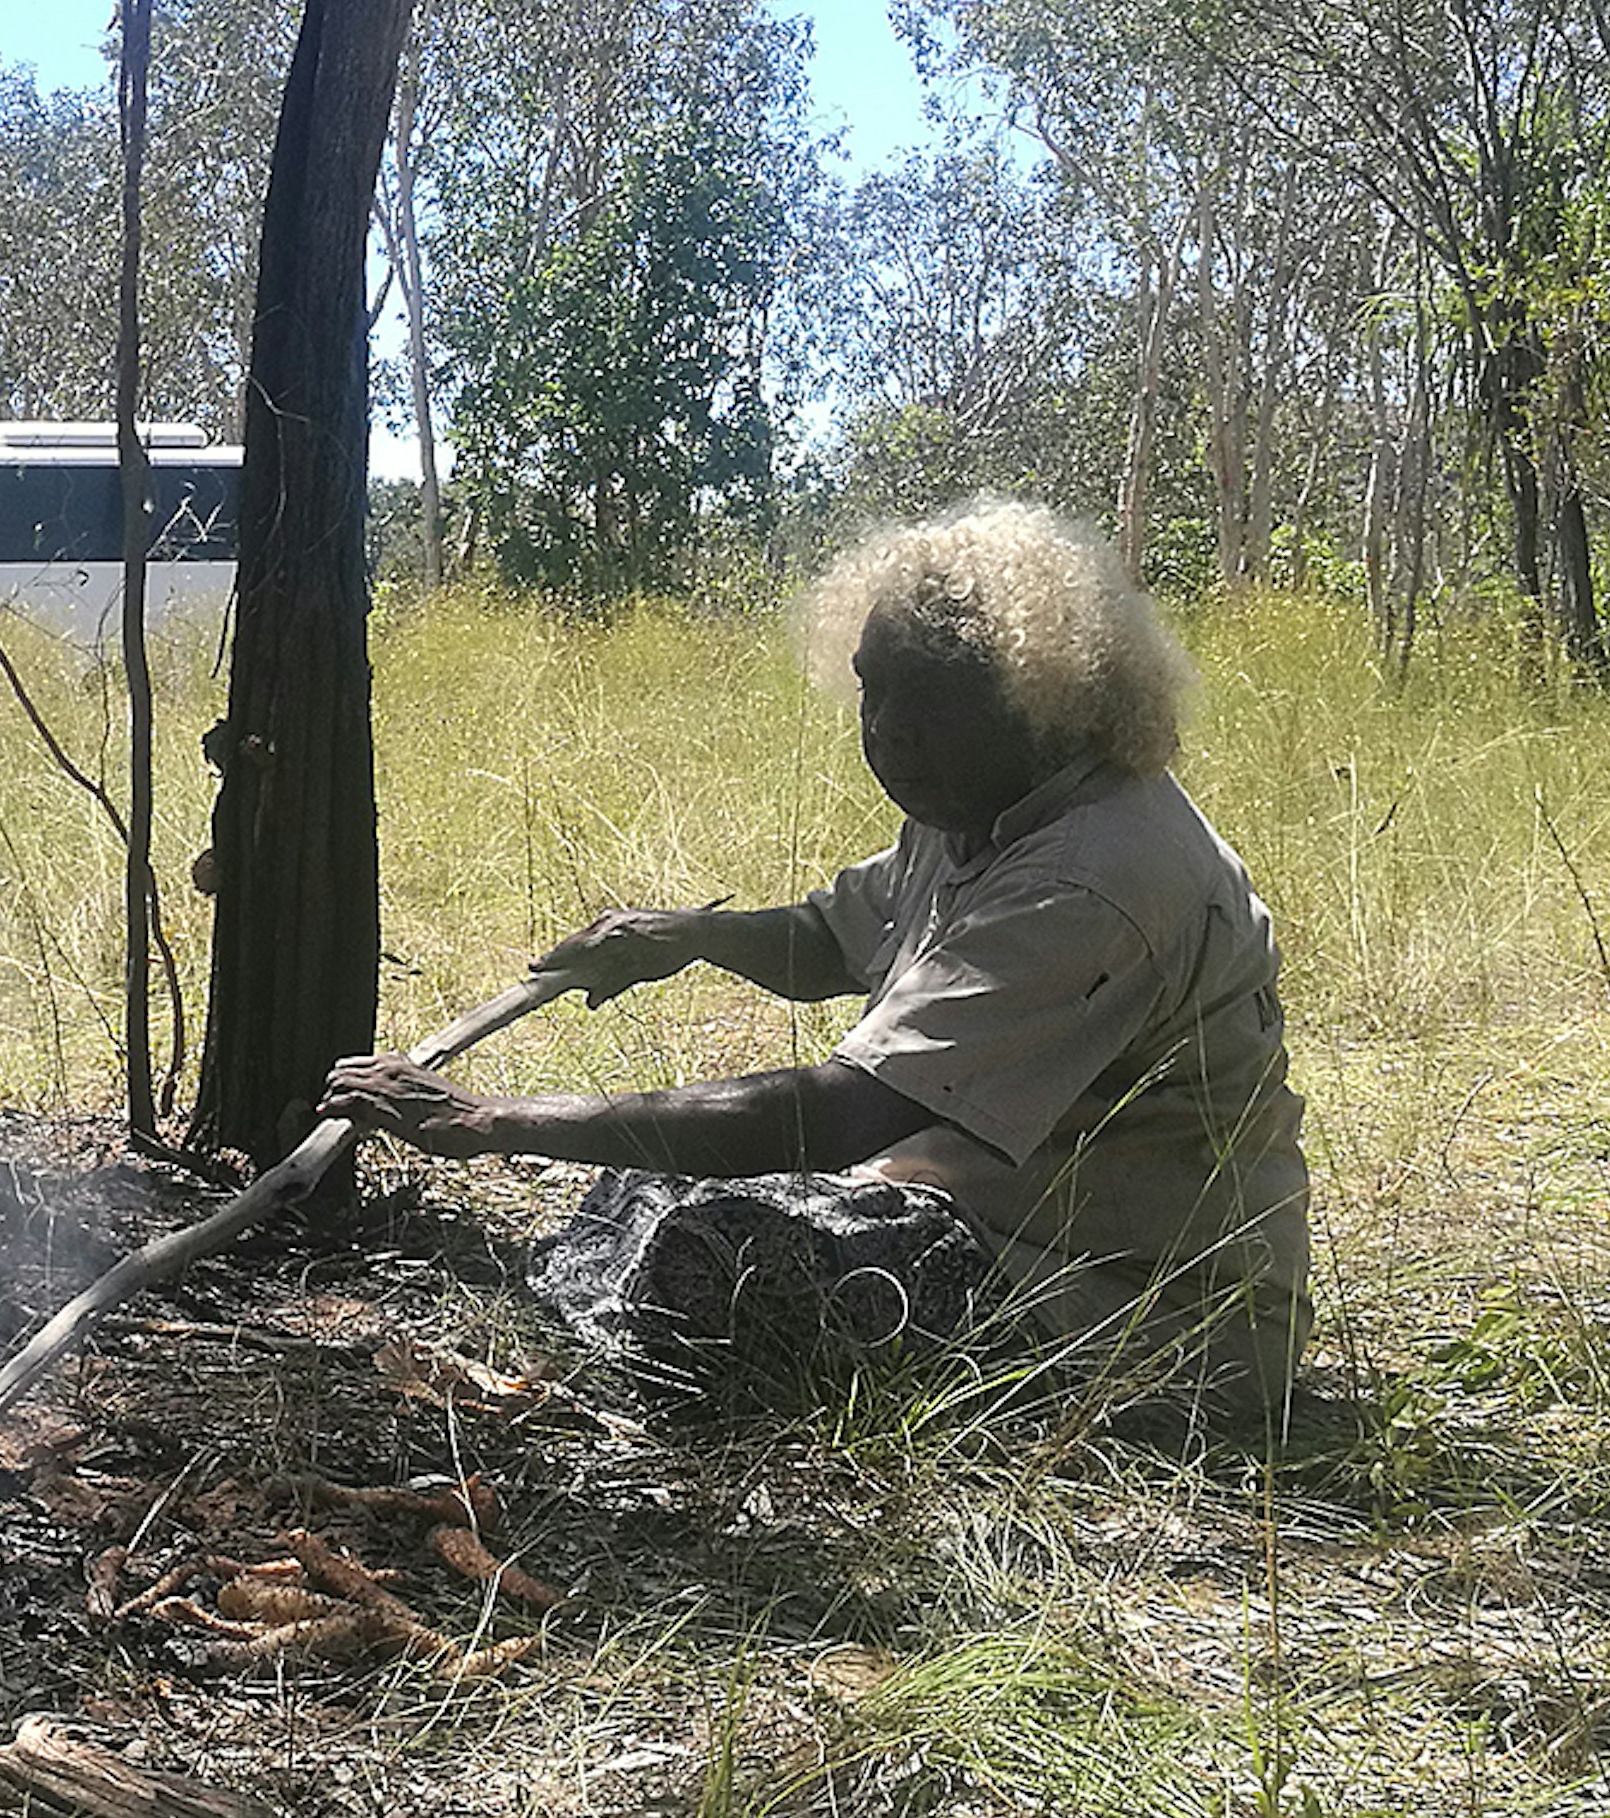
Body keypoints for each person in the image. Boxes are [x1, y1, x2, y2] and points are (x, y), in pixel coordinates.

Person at [317, 502, 1309, 1416]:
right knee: (669, 1191)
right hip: (1007, 1232)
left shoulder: (1092, 876)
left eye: (932, 702)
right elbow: (831, 940)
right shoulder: (979, 812)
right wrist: (684, 936)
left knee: (741, 1241)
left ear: (1040, 696)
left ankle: (617, 1358)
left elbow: (834, 1118)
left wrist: (483, 1120)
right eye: (875, 695)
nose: (887, 734)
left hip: (1146, 1319)